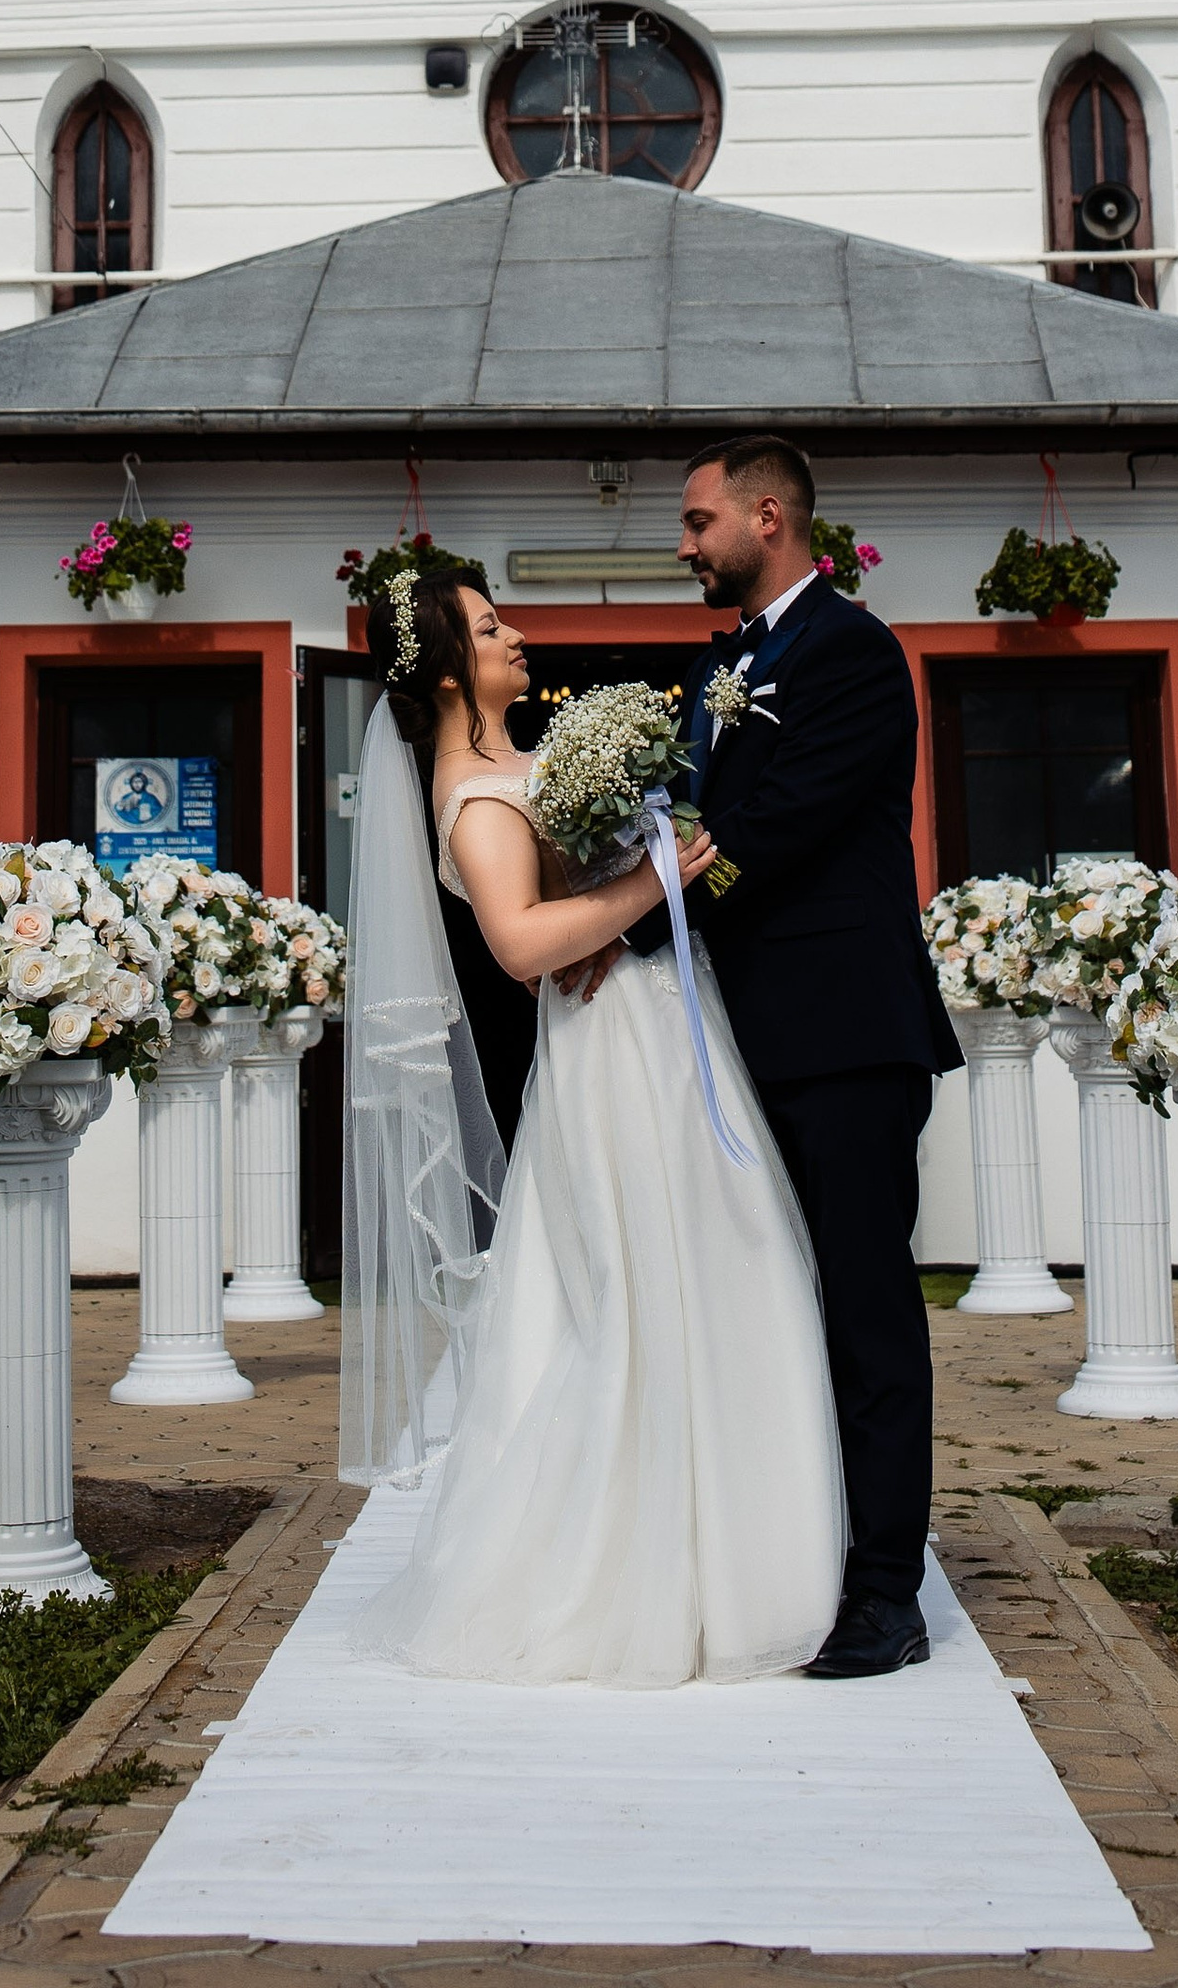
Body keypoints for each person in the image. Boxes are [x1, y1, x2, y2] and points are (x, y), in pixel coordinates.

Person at [342, 564, 845, 1686]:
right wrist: (658, 879)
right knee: (644, 1282)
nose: (514, 634)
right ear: (447, 664)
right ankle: (640, 1571)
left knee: (720, 1264)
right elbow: (522, 943)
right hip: (612, 1051)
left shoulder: (527, 763)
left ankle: (746, 1558)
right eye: (488, 625)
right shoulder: (474, 790)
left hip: (662, 1030)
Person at [620, 435, 963, 1678]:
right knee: (775, 1311)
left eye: (697, 517)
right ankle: (803, 1552)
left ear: (769, 515)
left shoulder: (852, 653)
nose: (683, 541)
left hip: (846, 1036)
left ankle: (886, 1591)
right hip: (753, 1036)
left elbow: (776, 828)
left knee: (866, 1314)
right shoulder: (733, 658)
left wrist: (628, 918)